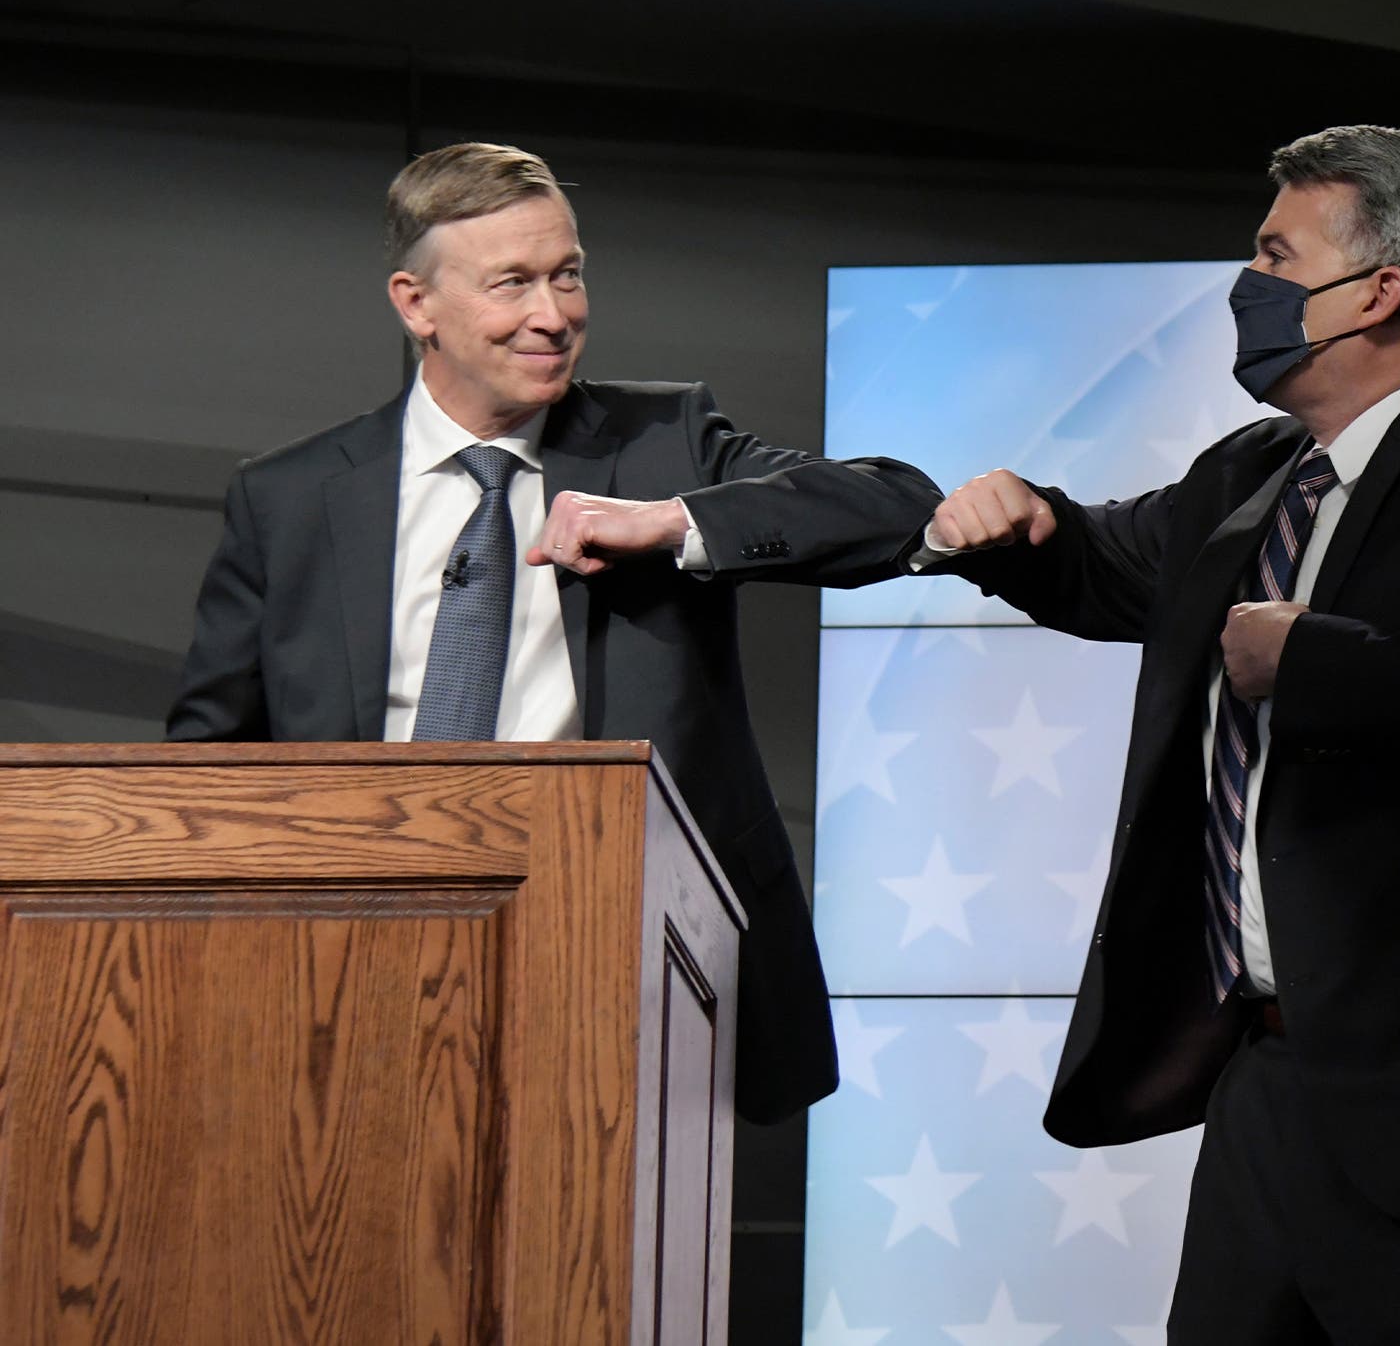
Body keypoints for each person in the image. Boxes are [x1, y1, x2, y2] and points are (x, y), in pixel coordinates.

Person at [921, 125, 1400, 1343]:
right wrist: (1018, 524)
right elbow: (1106, 565)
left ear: (1378, 291)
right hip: (1266, 1074)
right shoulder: (1254, 476)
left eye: (1275, 253)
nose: (1245, 284)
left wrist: (1307, 658)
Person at [166, 142, 941, 1125]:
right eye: (514, 283)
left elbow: (899, 506)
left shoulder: (664, 441)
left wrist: (671, 522)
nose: (554, 314)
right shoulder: (288, 499)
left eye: (567, 274)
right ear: (417, 304)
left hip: (625, 959)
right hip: (351, 974)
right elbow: (206, 767)